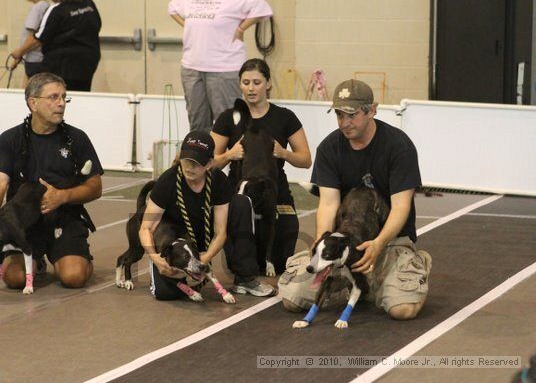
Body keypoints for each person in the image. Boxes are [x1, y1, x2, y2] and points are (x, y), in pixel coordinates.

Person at [281, 79, 432, 320]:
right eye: (339, 115)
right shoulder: (330, 148)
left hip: (388, 240)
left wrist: (379, 243)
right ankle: (355, 281)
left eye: (352, 115)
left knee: (402, 310)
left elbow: (401, 207)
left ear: (372, 110)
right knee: (292, 299)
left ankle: (412, 263)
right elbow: (328, 204)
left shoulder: (398, 146)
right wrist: (323, 242)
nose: (344, 122)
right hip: (341, 245)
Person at [0, 72, 103, 289]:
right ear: (33, 103)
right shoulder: (10, 139)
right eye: (54, 97)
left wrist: (63, 196)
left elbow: (95, 187)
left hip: (65, 216)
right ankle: (36, 260)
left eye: (64, 97)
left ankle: (73, 258)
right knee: (14, 279)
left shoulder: (77, 139)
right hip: (22, 221)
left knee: (74, 277)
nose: (61, 103)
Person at [211, 58, 312, 296]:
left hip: (275, 192)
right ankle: (244, 262)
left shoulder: (284, 117)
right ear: (240, 85)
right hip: (239, 192)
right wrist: (230, 154)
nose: (251, 88)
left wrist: (283, 152)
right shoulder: (229, 118)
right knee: (247, 261)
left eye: (257, 82)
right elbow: (210, 162)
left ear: (268, 84)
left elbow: (306, 159)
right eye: (245, 83)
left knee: (278, 263)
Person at [139, 131, 232, 301]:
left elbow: (220, 231)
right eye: (186, 160)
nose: (190, 167)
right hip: (173, 240)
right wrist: (156, 258)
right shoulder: (167, 181)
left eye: (196, 163)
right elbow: (146, 228)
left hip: (201, 235)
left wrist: (206, 256)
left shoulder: (219, 181)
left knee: (240, 204)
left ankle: (244, 275)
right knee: (166, 294)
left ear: (209, 164)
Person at [168, 0, 273, 132]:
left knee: (228, 121)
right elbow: (172, 8)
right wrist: (187, 26)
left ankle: (230, 154)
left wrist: (241, 28)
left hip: (224, 67)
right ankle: (202, 154)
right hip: (192, 66)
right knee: (197, 121)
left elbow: (264, 8)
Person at [11, 0, 101, 91]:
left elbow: (38, 39)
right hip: (88, 62)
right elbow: (97, 24)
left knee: (60, 98)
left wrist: (19, 52)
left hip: (63, 66)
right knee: (81, 95)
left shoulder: (56, 10)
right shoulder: (88, 3)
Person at [9, 0, 49, 82]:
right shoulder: (47, 6)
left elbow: (32, 37)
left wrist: (19, 53)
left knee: (31, 93)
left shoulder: (37, 9)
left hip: (34, 61)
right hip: (41, 60)